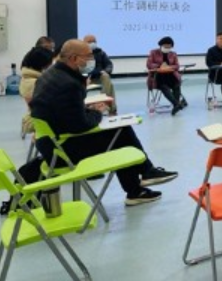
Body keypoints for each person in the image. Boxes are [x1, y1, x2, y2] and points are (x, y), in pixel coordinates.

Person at [30, 39, 178, 206]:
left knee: (120, 132)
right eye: (88, 56)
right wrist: (97, 112)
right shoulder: (69, 84)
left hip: (51, 144)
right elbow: (81, 125)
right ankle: (142, 179)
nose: (91, 60)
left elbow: (66, 113)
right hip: (64, 151)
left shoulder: (50, 75)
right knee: (121, 134)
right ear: (73, 58)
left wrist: (87, 110)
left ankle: (141, 181)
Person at [19, 47, 54, 139]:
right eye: (50, 64)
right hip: (43, 121)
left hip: (40, 118)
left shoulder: (28, 77)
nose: (52, 66)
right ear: (42, 65)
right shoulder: (36, 82)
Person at [146, 36, 186, 116]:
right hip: (158, 76)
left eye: (169, 47)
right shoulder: (153, 52)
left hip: (171, 75)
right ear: (161, 45)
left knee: (176, 84)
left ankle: (176, 105)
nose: (167, 48)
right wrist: (160, 65)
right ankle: (176, 104)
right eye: (165, 47)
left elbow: (177, 66)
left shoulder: (173, 54)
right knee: (164, 86)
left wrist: (169, 67)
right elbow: (149, 64)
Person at [83, 34, 117, 115]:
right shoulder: (82, 54)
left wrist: (106, 71)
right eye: (90, 42)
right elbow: (83, 69)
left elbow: (109, 64)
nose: (92, 43)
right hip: (87, 78)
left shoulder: (100, 52)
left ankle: (105, 103)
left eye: (94, 41)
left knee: (106, 77)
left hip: (99, 77)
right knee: (110, 85)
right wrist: (98, 72)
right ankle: (109, 107)